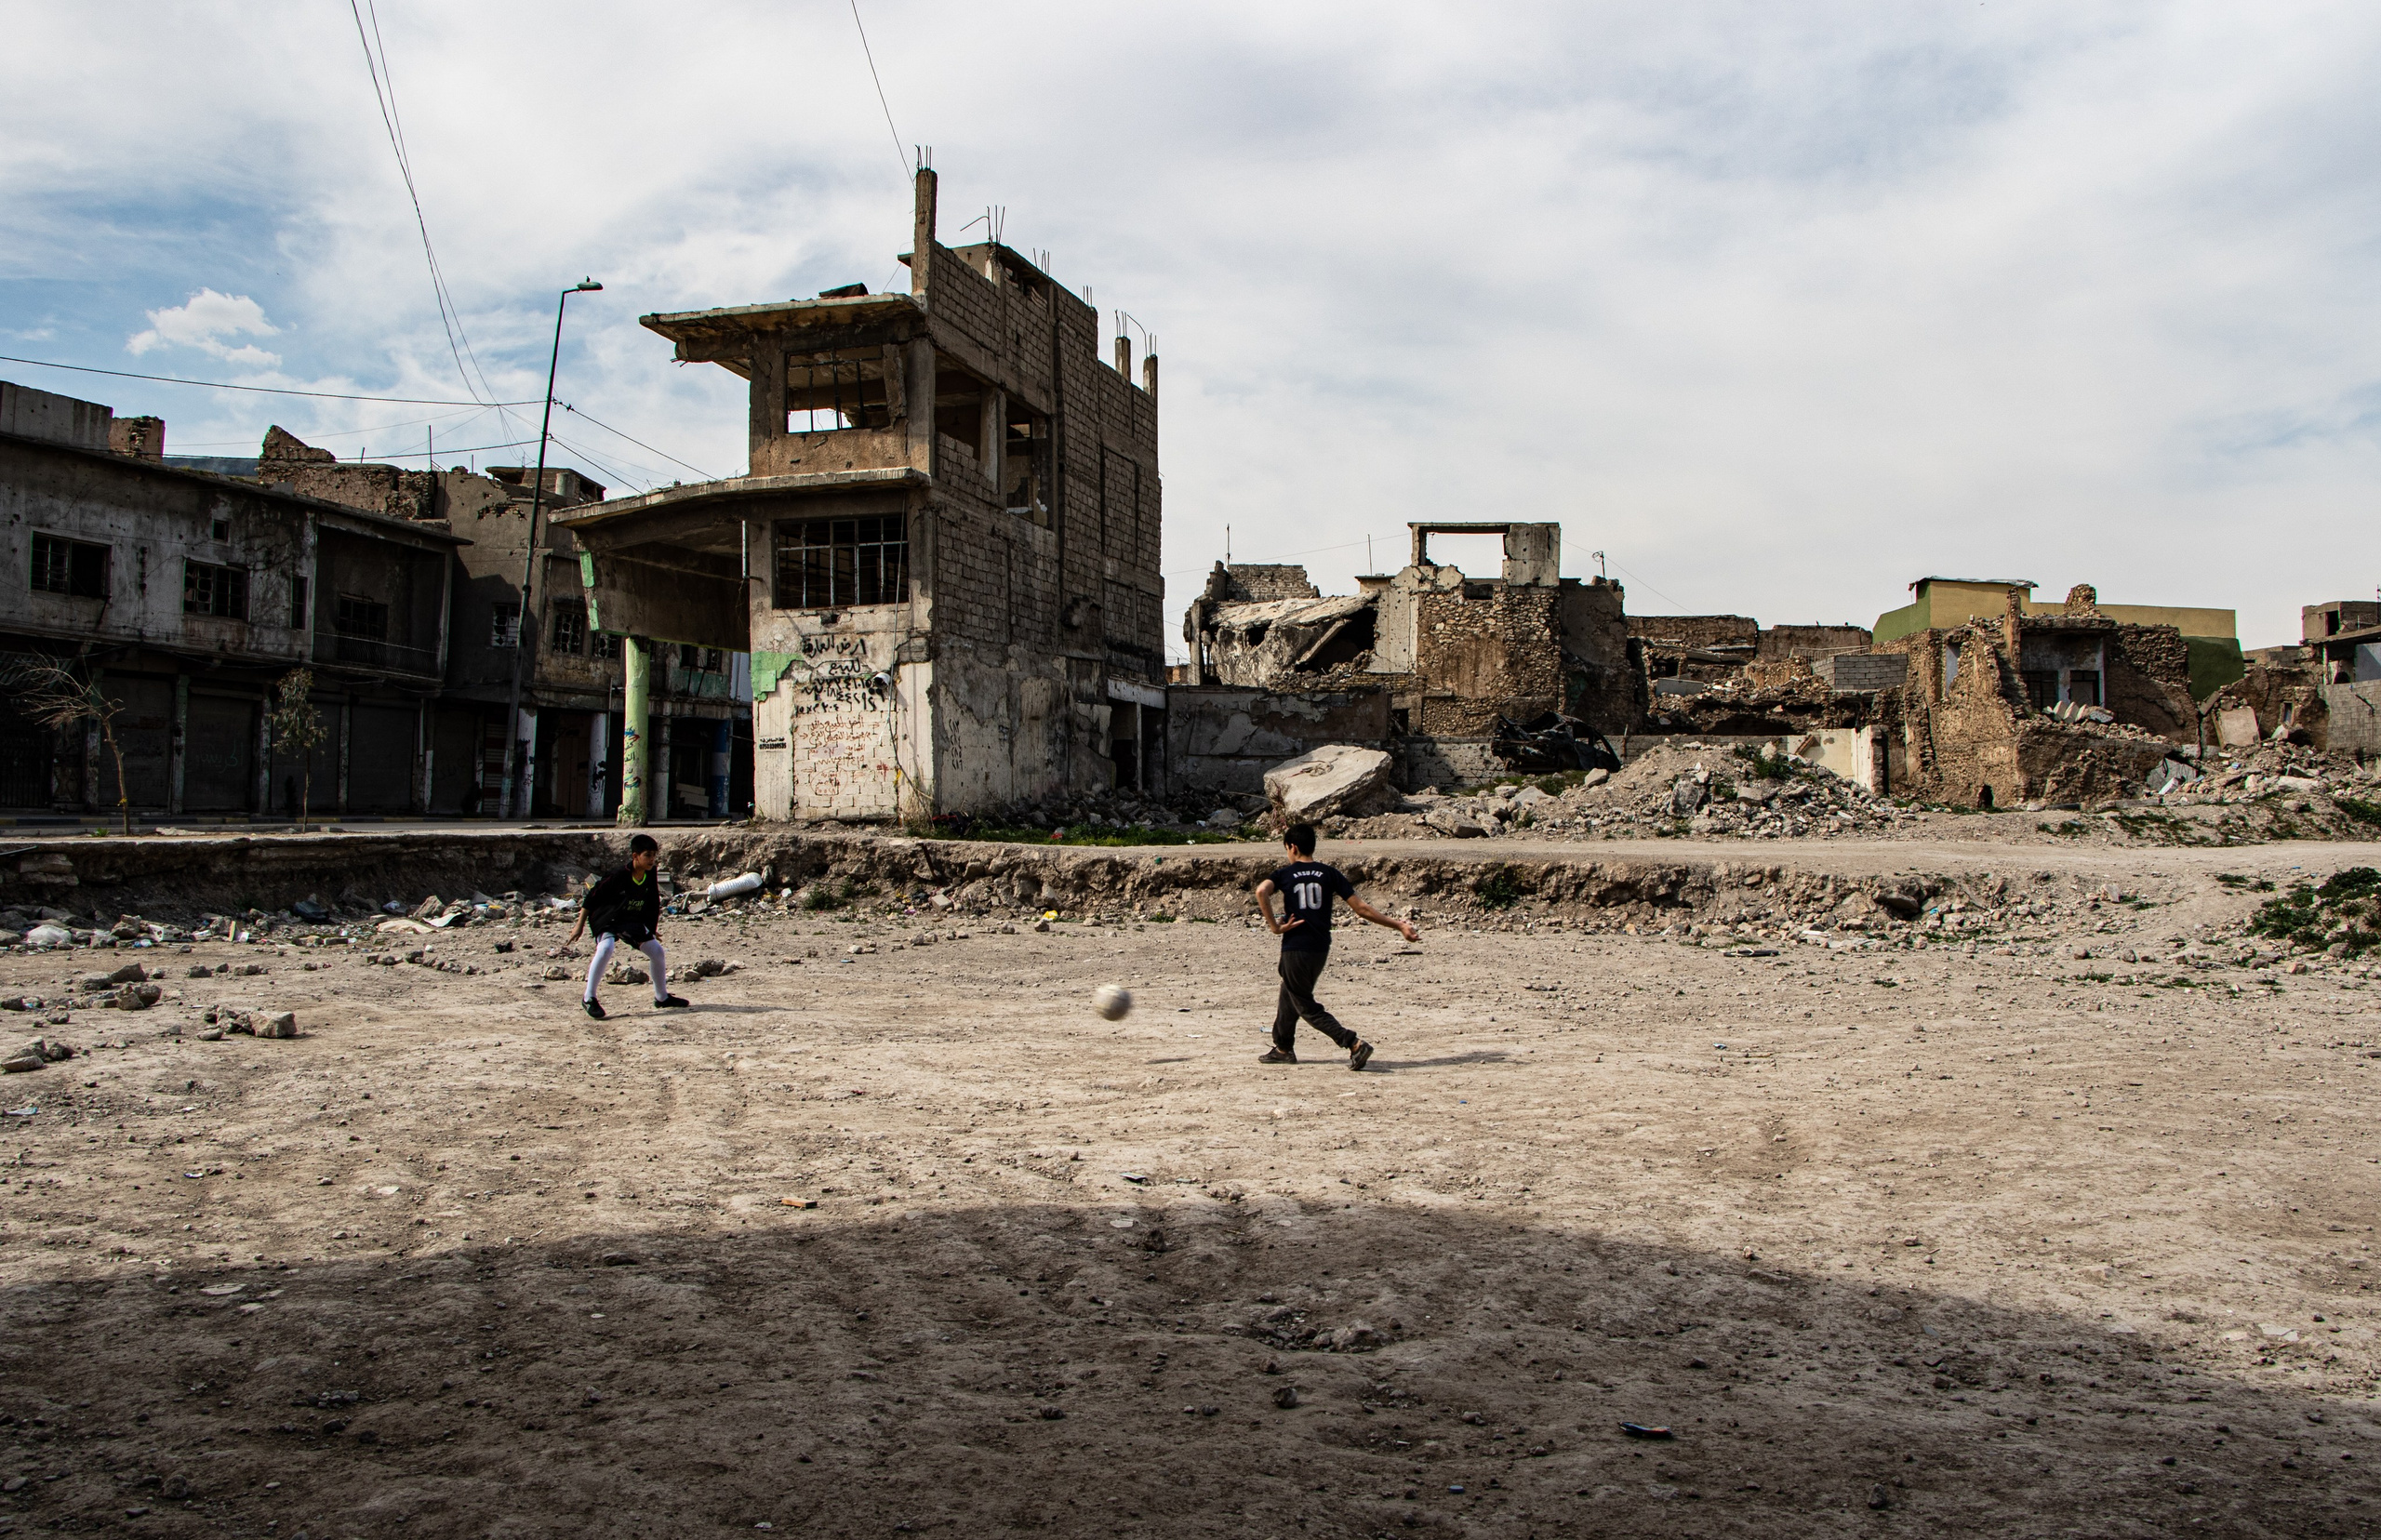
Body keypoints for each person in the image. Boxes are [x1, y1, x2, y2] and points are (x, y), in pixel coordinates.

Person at [1252, 823, 1418, 1069]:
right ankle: (1283, 1047)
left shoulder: (1284, 874)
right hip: (1320, 948)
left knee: (1305, 1004)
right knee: (1290, 990)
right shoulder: (1329, 873)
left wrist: (1274, 927)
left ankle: (1352, 1043)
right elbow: (1362, 909)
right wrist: (1399, 925)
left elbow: (1261, 892)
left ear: (1292, 847)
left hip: (1296, 947)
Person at [566, 832, 687, 1018]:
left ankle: (662, 997)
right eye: (648, 855)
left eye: (654, 856)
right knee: (606, 948)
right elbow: (592, 897)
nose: (652, 860)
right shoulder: (618, 875)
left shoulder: (650, 873)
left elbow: (653, 901)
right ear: (635, 856)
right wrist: (579, 926)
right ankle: (589, 998)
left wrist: (651, 928)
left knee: (657, 952)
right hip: (607, 918)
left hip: (630, 919)